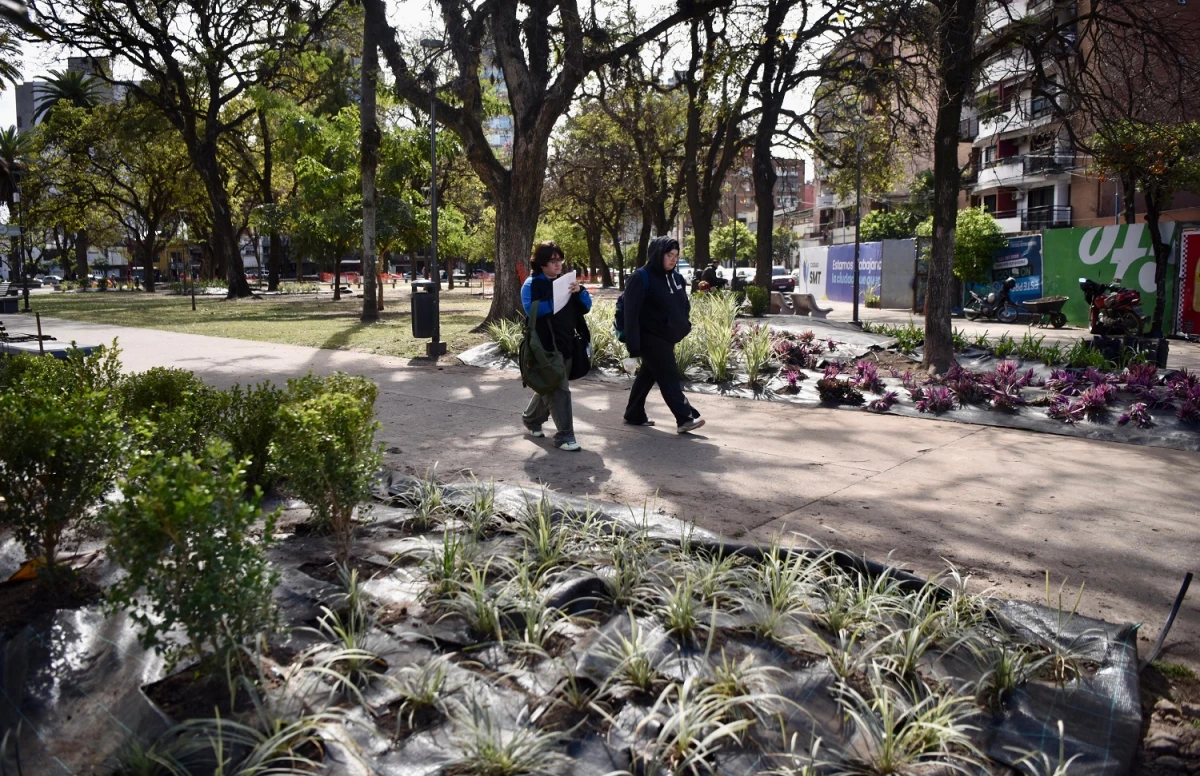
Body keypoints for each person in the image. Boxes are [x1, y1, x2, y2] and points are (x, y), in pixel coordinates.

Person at [621, 236, 704, 434]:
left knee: (648, 375)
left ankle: (633, 413)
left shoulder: (676, 278)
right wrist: (633, 347)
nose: (673, 259)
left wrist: (683, 323)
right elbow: (630, 313)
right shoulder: (641, 277)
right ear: (658, 254)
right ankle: (685, 418)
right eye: (669, 255)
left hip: (668, 336)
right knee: (668, 376)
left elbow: (684, 303)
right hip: (649, 337)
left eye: (676, 255)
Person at [521, 241, 592, 451]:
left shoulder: (567, 282)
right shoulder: (532, 284)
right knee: (560, 390)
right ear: (541, 263)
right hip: (544, 347)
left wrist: (579, 292)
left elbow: (586, 307)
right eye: (552, 261)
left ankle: (531, 419)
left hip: (568, 343)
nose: (558, 264)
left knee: (550, 385)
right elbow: (531, 310)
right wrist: (557, 299)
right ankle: (565, 436)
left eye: (559, 259)